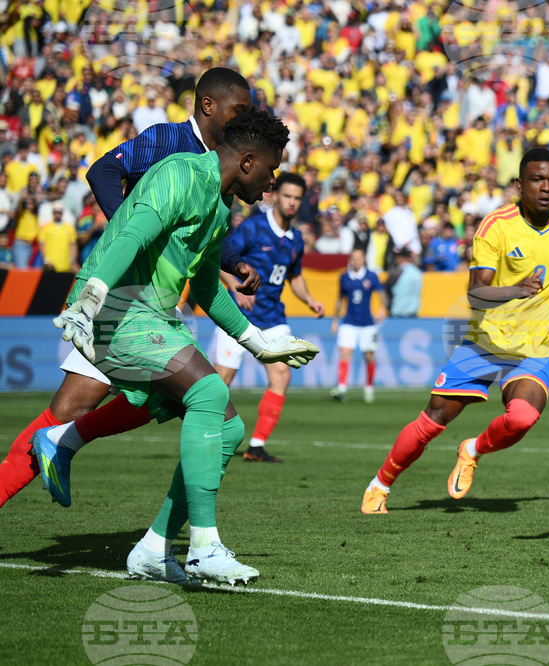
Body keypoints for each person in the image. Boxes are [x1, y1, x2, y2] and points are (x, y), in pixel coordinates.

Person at [38, 107, 317, 584]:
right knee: (208, 393)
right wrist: (91, 296)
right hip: (113, 309)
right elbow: (130, 234)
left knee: (229, 432)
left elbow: (207, 287)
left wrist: (258, 345)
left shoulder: (218, 205)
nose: (270, 184)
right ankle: (204, 546)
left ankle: (152, 548)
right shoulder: (181, 173)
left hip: (150, 316)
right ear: (248, 161)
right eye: (271, 172)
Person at [0, 68, 260, 509]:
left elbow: (196, 237)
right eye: (239, 110)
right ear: (207, 105)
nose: (243, 120)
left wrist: (232, 262)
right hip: (125, 299)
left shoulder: (221, 165)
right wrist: (129, 231)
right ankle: (183, 540)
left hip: (155, 303)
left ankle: (65, 444)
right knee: (197, 401)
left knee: (143, 403)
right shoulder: (168, 140)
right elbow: (102, 171)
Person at [361, 148, 549, 514]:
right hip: (484, 344)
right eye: (537, 180)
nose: (546, 187)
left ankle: (473, 450)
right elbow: (475, 292)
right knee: (433, 420)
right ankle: (380, 485)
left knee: (522, 418)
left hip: (534, 349)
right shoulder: (496, 225)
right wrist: (515, 290)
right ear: (520, 184)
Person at [212, 172, 325, 463]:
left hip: (273, 316)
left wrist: (310, 300)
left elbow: (294, 276)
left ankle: (257, 446)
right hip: (238, 316)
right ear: (274, 195)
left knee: (282, 375)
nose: (291, 202)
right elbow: (218, 257)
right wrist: (235, 289)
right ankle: (207, 441)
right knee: (219, 382)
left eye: (297, 198)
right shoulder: (253, 228)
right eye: (287, 196)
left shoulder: (296, 239)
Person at [330, 248, 386, 403]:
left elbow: (383, 296)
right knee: (345, 353)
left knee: (368, 356)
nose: (356, 261)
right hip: (348, 322)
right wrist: (335, 321)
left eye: (359, 258)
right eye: (354, 258)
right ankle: (342, 387)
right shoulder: (344, 277)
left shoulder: (371, 276)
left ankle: (369, 388)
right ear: (350, 260)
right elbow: (340, 299)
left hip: (367, 324)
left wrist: (383, 309)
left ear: (364, 259)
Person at [385, 246, 423, 318]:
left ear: (400, 257)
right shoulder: (418, 273)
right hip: (414, 313)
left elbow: (384, 288)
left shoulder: (397, 272)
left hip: (398, 314)